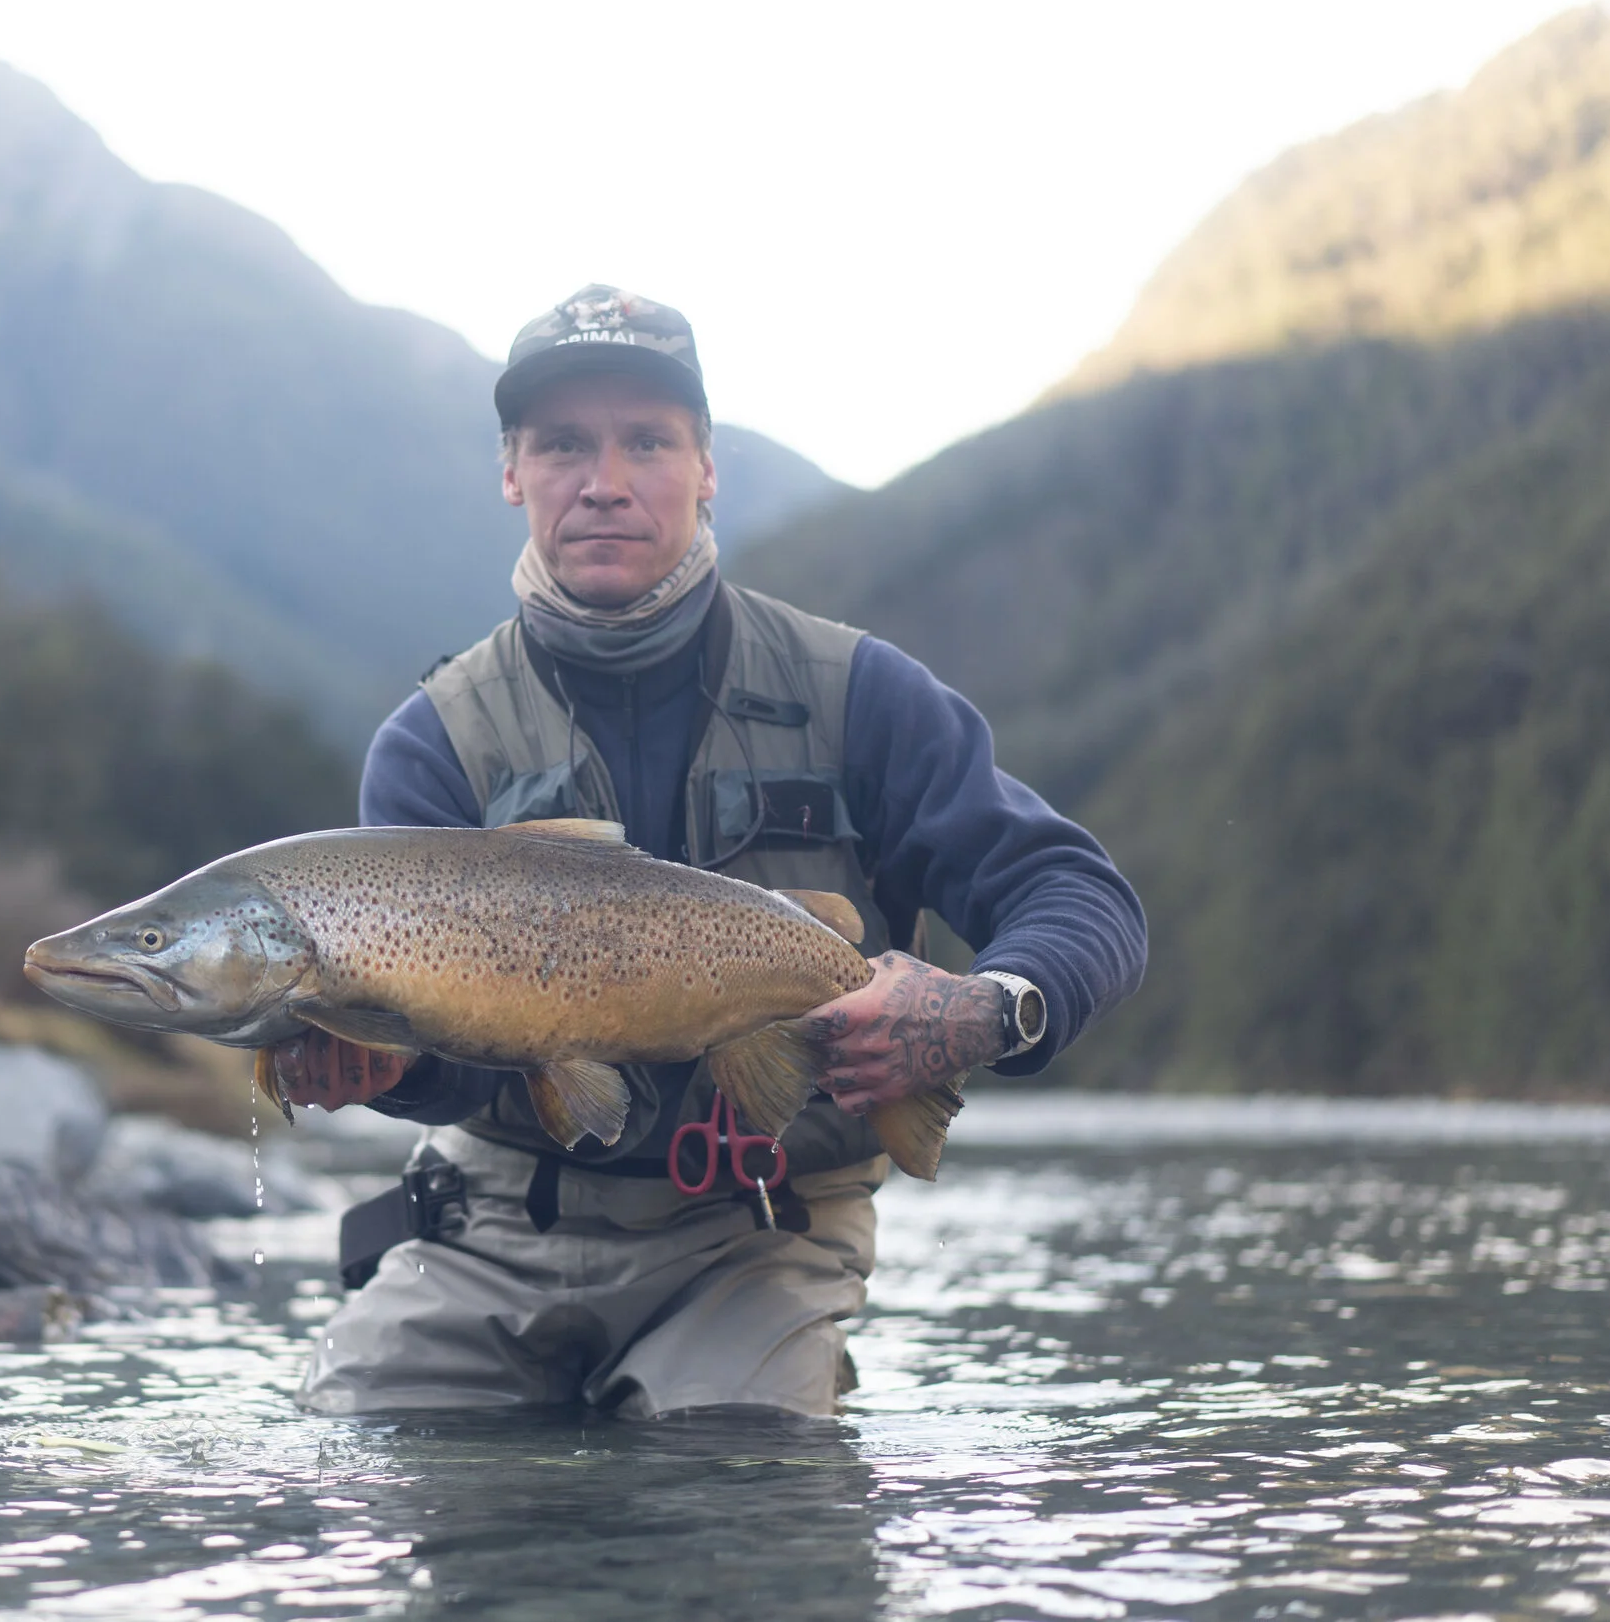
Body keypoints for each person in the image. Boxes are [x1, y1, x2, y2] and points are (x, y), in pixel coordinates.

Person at [280, 284, 1147, 1420]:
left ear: (706, 467)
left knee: (734, 1475)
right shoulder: (436, 740)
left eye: (646, 441)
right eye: (563, 444)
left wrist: (993, 1007)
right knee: (357, 1451)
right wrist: (387, 1067)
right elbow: (459, 1070)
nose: (604, 481)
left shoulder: (860, 694)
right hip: (494, 1229)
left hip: (758, 1233)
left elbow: (1077, 893)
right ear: (512, 472)